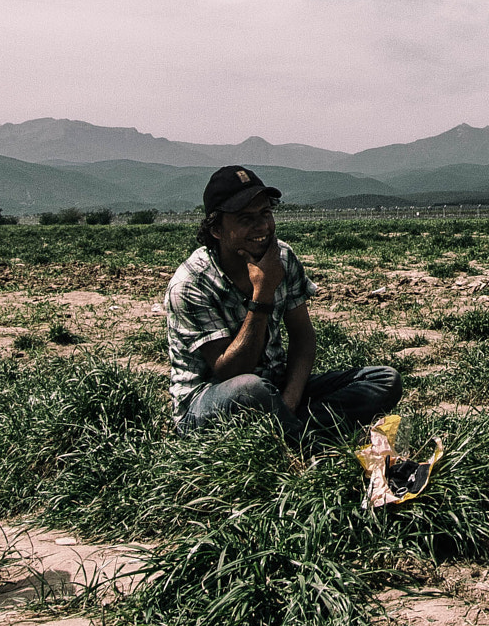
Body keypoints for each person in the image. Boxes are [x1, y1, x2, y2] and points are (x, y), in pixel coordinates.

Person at [162, 165, 402, 436]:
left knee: (384, 380)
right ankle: (305, 442)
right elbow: (231, 372)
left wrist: (289, 399)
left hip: (274, 387)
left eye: (265, 213)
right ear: (216, 229)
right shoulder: (191, 283)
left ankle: (290, 428)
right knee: (250, 389)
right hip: (210, 402)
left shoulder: (282, 258)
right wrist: (262, 294)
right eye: (245, 219)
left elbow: (303, 337)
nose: (262, 226)